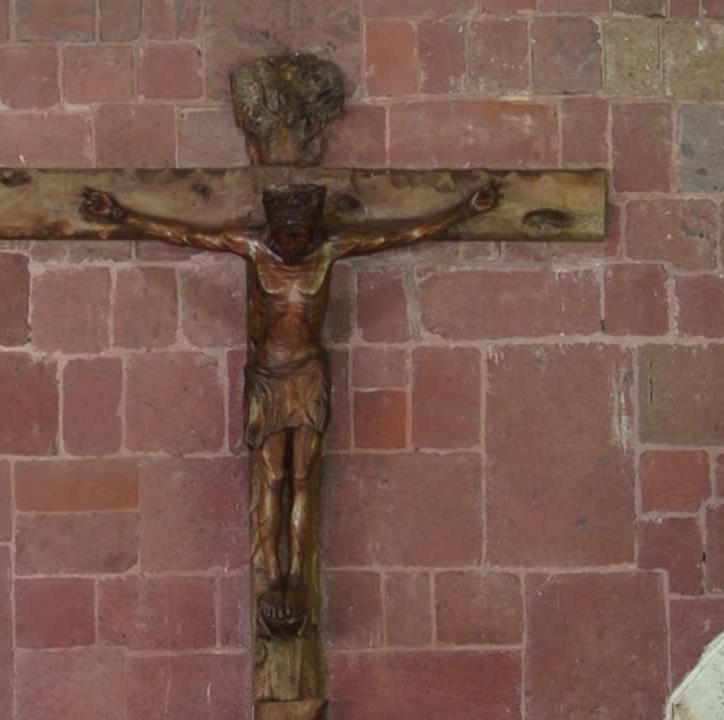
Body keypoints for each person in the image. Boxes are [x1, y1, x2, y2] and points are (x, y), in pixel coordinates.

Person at [81, 180, 500, 635]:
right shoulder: (254, 250)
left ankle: (297, 576)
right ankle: (272, 575)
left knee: (302, 477)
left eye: (300, 233)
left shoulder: (329, 253)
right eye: (285, 232)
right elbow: (186, 234)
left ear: (311, 229)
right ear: (276, 227)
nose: (292, 241)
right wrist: (123, 217)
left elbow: (400, 235)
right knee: (273, 477)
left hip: (307, 377)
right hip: (267, 379)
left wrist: (463, 212)